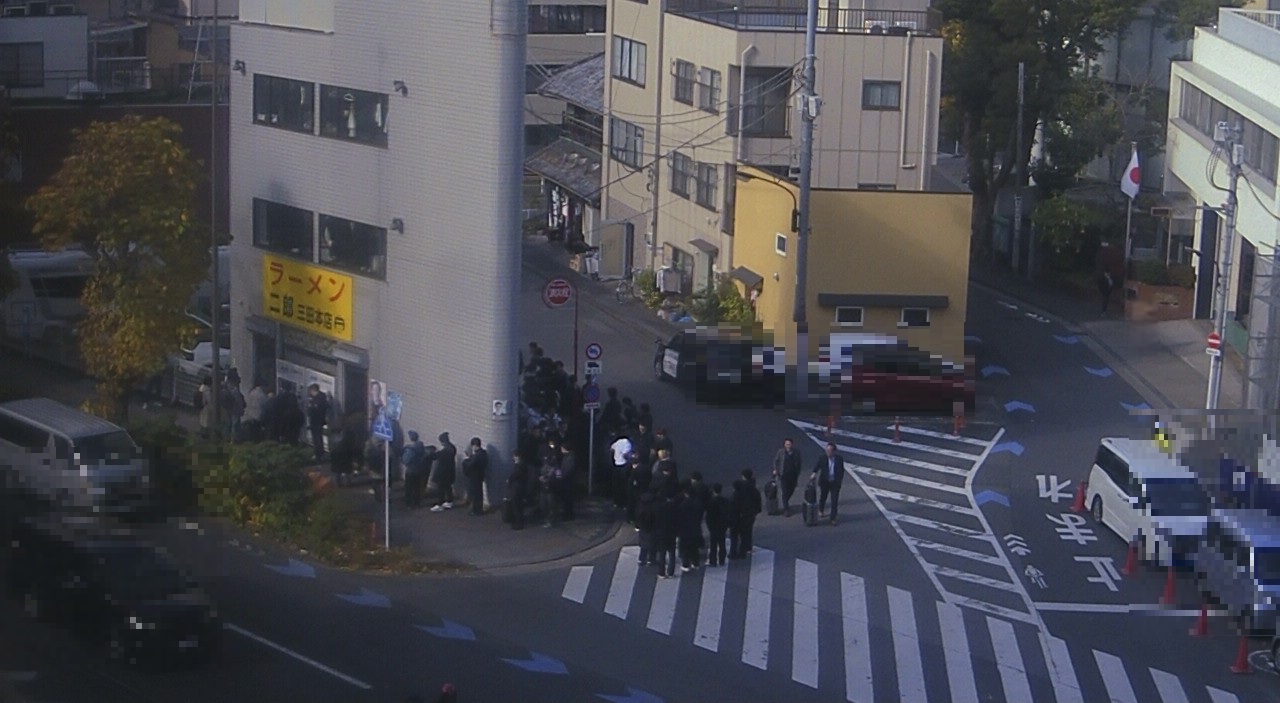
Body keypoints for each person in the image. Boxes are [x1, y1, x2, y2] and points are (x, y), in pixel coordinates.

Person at [811, 442, 847, 526]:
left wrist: (839, 480)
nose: (828, 452)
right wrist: (814, 473)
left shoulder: (839, 459)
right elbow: (817, 466)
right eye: (827, 450)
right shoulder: (822, 458)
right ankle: (821, 509)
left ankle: (833, 518)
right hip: (825, 481)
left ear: (834, 451)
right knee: (823, 496)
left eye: (830, 451)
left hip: (835, 482)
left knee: (834, 500)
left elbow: (841, 470)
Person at [730, 469, 762, 559]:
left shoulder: (740, 490)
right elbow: (757, 499)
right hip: (751, 512)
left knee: (737, 534)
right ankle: (747, 547)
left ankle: (736, 552)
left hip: (741, 514)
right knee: (748, 531)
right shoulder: (753, 487)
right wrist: (756, 511)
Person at [677, 481, 705, 572]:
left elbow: (680, 517)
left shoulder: (684, 504)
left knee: (685, 548)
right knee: (694, 547)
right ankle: (695, 563)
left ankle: (686, 564)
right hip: (696, 527)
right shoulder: (698, 502)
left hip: (685, 529)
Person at [772, 438, 803, 517]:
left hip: (793, 475)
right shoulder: (781, 452)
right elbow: (776, 461)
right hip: (783, 475)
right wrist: (775, 469)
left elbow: (799, 463)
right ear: (784, 445)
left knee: (791, 490)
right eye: (786, 444)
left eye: (789, 444)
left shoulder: (796, 452)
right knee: (785, 491)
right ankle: (786, 509)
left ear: (792, 445)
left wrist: (798, 472)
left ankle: (786, 501)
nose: (788, 446)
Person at [653, 490, 679, 578]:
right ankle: (671, 572)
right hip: (672, 532)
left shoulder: (661, 507)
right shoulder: (676, 507)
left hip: (662, 532)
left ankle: (661, 572)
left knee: (662, 553)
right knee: (672, 552)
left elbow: (657, 521)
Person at [430, 433, 457, 511]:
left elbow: (435, 457)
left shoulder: (445, 451)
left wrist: (434, 452)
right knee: (448, 487)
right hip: (450, 471)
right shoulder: (452, 448)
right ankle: (449, 501)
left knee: (440, 489)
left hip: (443, 473)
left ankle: (440, 504)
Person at [705, 483, 731, 567]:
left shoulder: (711, 502)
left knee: (713, 544)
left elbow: (708, 517)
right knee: (722, 543)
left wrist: (709, 526)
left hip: (714, 526)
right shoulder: (725, 501)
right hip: (723, 525)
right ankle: (722, 559)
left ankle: (713, 560)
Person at [462, 437, 489, 516]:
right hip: (480, 475)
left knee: (475, 493)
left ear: (474, 445)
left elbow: (471, 465)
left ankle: (476, 510)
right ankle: (478, 509)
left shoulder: (477, 455)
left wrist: (466, 460)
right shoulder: (484, 453)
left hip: (474, 476)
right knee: (479, 493)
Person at [402, 431, 428, 508]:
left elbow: (406, 460)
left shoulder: (410, 449)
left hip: (410, 471)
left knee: (409, 488)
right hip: (419, 470)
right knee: (417, 487)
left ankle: (409, 504)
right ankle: (417, 502)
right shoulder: (421, 446)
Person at [306, 384, 330, 463]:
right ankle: (320, 454)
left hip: (316, 422)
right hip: (320, 421)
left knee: (317, 439)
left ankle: (318, 455)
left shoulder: (317, 399)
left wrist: (310, 407)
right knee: (319, 438)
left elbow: (313, 411)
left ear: (313, 390)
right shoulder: (322, 397)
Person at [609, 432, 633, 508]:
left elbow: (611, 448)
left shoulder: (617, 442)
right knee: (624, 485)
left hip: (616, 465)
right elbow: (626, 454)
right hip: (624, 465)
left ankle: (616, 502)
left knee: (616, 485)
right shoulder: (627, 443)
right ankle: (624, 503)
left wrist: (615, 456)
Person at [626, 452, 650, 525]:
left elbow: (631, 482)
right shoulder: (646, 468)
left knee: (632, 505)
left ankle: (632, 519)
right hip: (644, 489)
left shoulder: (634, 471)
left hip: (635, 491)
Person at [506, 450, 528, 530]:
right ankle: (518, 521)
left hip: (517, 488)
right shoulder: (522, 465)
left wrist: (509, 479)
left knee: (516, 505)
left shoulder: (519, 466)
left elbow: (515, 474)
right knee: (518, 505)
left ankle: (519, 523)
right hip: (519, 487)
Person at [557, 441, 577, 521]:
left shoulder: (570, 458)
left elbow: (568, 470)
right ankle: (567, 514)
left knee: (568, 499)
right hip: (566, 481)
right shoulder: (568, 457)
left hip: (568, 481)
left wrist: (561, 475)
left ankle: (568, 515)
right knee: (566, 499)